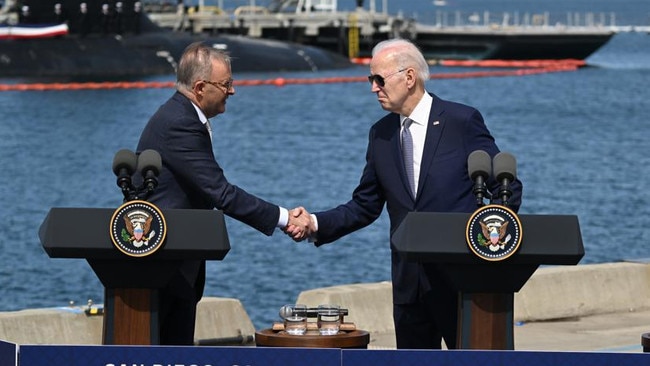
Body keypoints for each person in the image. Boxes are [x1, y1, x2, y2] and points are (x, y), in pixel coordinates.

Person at [286, 38, 523, 349]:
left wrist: (489, 245)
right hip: (409, 288)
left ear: (409, 77)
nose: (373, 88)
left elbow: (506, 189)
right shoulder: (381, 134)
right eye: (371, 79)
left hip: (463, 284)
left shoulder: (461, 122)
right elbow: (364, 205)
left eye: (379, 79)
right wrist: (315, 223)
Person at [137, 42, 311, 345]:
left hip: (175, 263)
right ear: (201, 87)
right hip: (163, 266)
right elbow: (221, 193)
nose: (232, 91)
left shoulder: (182, 116)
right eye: (227, 84)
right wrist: (285, 218)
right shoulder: (180, 123)